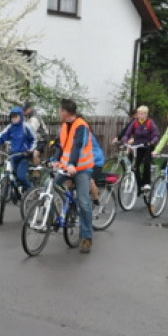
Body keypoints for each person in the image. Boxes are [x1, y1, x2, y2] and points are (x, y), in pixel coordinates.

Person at [53, 98, 96, 254]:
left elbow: (77, 146)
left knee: (84, 202)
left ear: (66, 112)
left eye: (60, 110)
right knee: (51, 185)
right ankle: (64, 209)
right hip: (67, 167)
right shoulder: (64, 126)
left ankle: (87, 238)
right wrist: (55, 160)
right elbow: (60, 145)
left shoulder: (82, 126)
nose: (59, 112)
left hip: (82, 168)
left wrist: (72, 164)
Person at [0, 106, 36, 198]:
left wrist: (30, 150)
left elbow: (34, 139)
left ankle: (32, 191)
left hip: (24, 155)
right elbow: (2, 136)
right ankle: (10, 193)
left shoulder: (26, 126)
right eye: (12, 117)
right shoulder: (10, 127)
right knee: (10, 174)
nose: (14, 118)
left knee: (21, 176)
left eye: (16, 116)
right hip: (13, 155)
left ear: (21, 116)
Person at [114, 105, 159, 193]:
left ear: (146, 114)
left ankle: (147, 183)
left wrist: (152, 142)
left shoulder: (150, 123)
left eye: (142, 114)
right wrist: (125, 140)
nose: (140, 115)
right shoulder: (135, 122)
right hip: (137, 146)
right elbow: (127, 133)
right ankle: (139, 185)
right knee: (134, 166)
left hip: (147, 146)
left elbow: (156, 135)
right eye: (139, 114)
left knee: (146, 162)